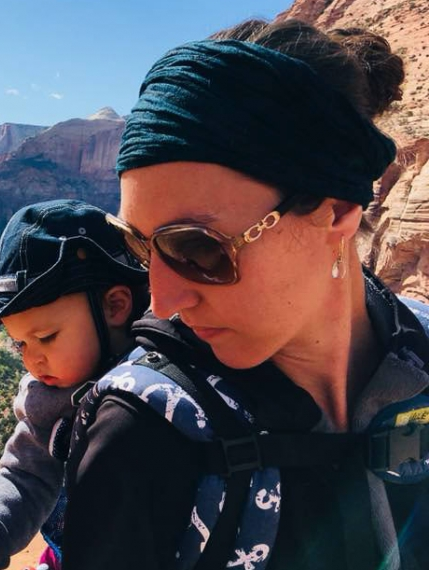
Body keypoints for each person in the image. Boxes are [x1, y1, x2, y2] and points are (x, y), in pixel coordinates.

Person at [60, 18, 429, 570]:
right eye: (140, 245)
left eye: (198, 249)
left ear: (340, 210)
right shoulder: (140, 436)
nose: (161, 302)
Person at [0, 199, 148, 570]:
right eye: (20, 343)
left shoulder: (173, 373)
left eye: (47, 336)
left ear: (115, 306)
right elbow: (26, 475)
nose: (31, 360)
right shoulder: (50, 403)